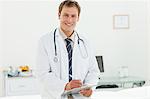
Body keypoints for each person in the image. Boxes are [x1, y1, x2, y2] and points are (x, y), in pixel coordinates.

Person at [36, 0, 99, 99]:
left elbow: (93, 71)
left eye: (73, 16)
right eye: (66, 15)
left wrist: (89, 88)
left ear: (78, 18)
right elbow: (42, 74)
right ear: (59, 15)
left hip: (79, 96)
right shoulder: (45, 41)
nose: (69, 20)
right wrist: (65, 86)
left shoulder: (85, 42)